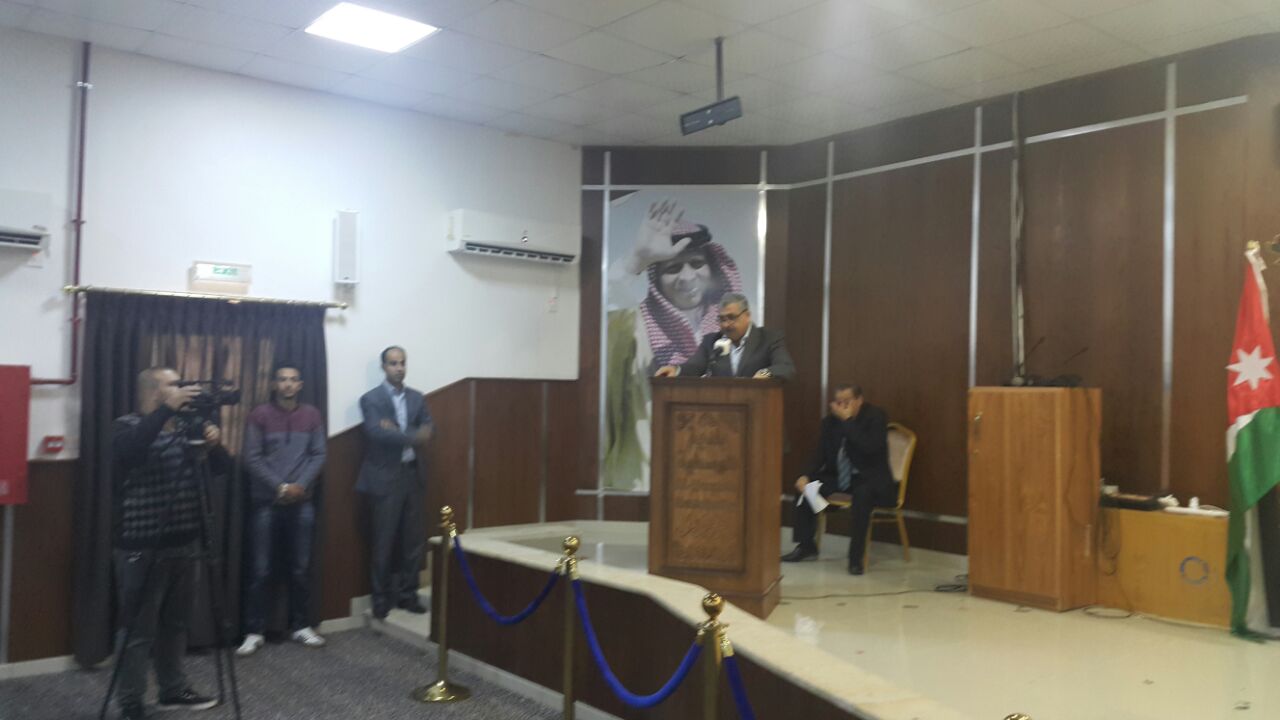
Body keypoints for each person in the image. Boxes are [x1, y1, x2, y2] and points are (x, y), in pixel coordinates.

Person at [604, 200, 747, 490]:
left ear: (713, 268)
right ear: (656, 277)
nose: (687, 277)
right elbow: (597, 308)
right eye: (673, 267)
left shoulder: (734, 333)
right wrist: (636, 259)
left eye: (697, 263)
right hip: (645, 478)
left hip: (713, 476)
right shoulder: (633, 326)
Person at [111, 368, 223, 719]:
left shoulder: (185, 428)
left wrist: (214, 445)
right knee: (138, 630)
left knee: (176, 624)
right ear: (154, 391)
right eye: (174, 384)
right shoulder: (127, 425)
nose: (184, 389)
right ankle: (130, 702)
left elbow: (221, 469)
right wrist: (166, 411)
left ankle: (172, 689)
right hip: (142, 545)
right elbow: (131, 452)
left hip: (186, 543)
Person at [236, 362, 327, 656]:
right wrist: (281, 487)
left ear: (300, 385)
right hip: (266, 501)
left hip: (302, 502)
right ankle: (254, 631)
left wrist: (299, 485)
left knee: (300, 568)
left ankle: (301, 625)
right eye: (282, 379)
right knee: (261, 569)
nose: (288, 384)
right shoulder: (259, 414)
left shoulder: (312, 414)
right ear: (274, 384)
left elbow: (318, 454)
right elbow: (252, 458)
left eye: (293, 379)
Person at [782, 385, 897, 575]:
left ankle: (855, 559)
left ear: (859, 400)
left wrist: (848, 421)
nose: (841, 406)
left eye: (847, 401)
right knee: (807, 488)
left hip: (869, 478)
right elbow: (819, 454)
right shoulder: (830, 421)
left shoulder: (876, 417)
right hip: (839, 478)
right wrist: (805, 475)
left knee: (862, 496)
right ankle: (807, 546)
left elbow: (869, 447)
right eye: (838, 402)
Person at [358, 346, 433, 619]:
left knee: (413, 541)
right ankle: (381, 598)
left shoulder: (417, 397)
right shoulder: (371, 399)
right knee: (384, 540)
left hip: (411, 474)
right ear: (383, 367)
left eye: (402, 363)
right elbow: (377, 433)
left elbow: (430, 428)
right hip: (384, 477)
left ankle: (408, 594)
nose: (399, 368)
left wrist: (397, 430)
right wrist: (412, 435)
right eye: (393, 363)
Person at [654, 293, 795, 380]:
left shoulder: (769, 339)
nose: (726, 324)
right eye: (722, 319)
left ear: (747, 316)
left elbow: (785, 367)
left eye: (732, 317)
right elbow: (695, 366)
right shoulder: (712, 342)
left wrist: (764, 374)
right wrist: (676, 370)